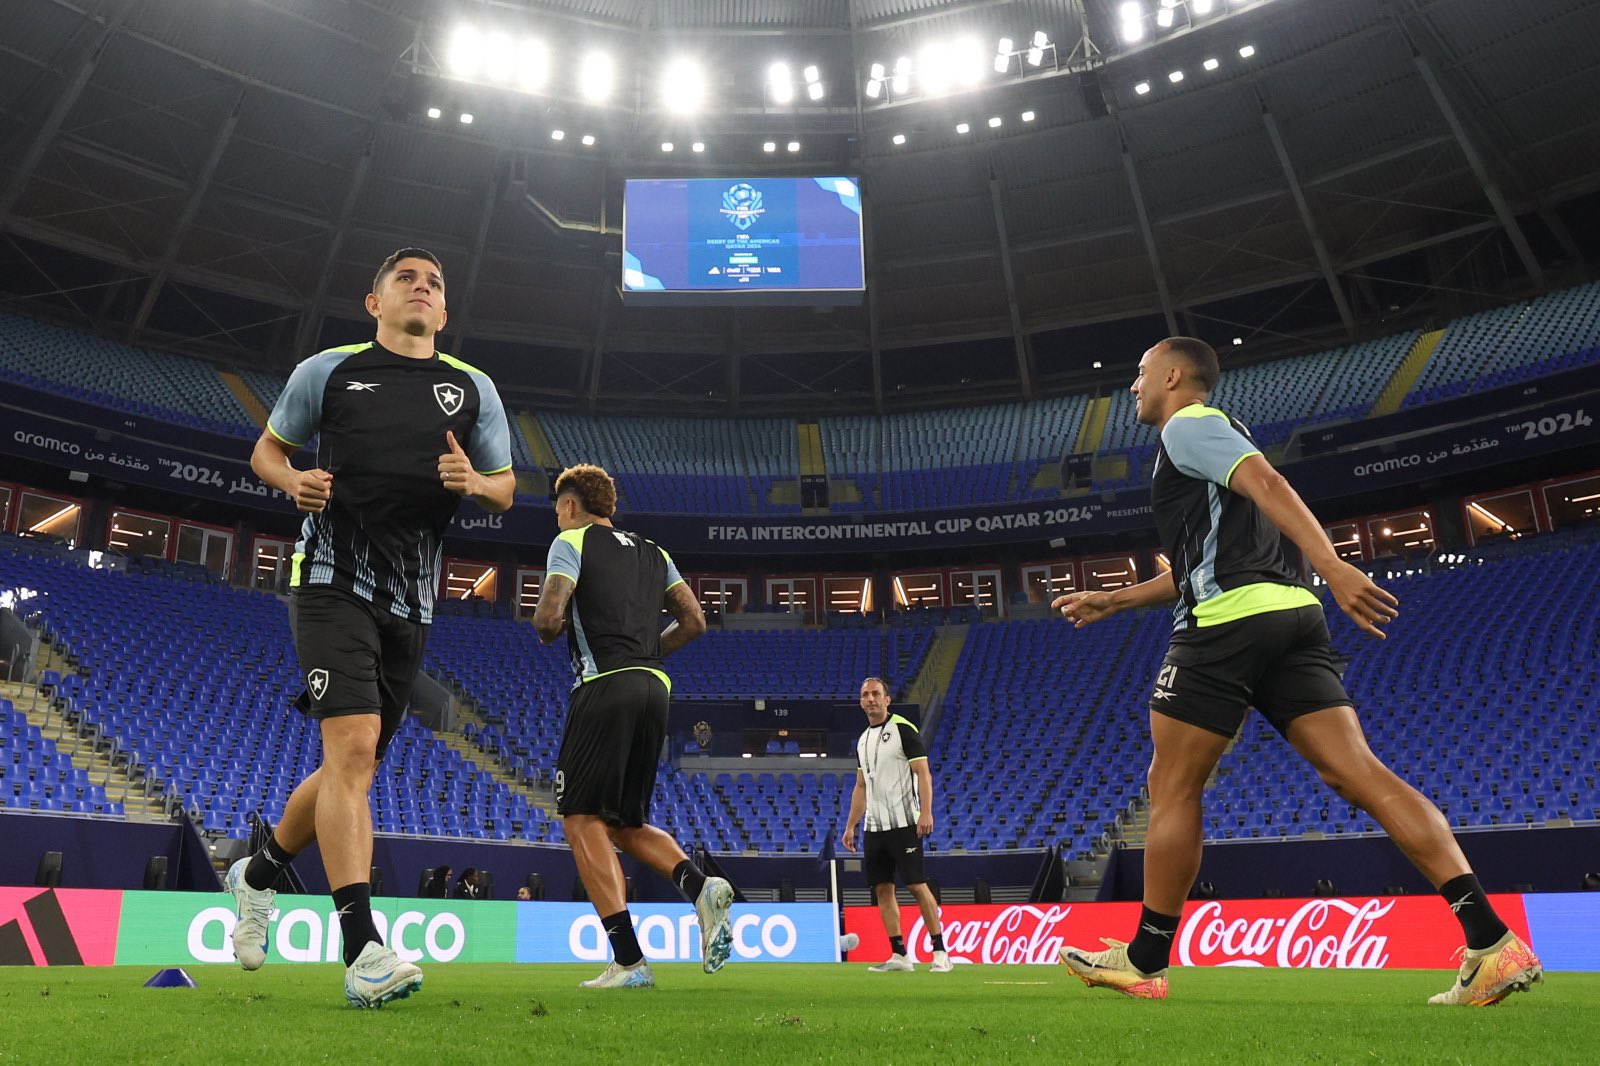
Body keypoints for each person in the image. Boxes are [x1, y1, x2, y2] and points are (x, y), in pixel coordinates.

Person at [1052, 337, 1542, 1005]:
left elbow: (1272, 487)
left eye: (1139, 376)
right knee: (1356, 771)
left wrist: (1336, 564)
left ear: (1172, 376)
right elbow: (1206, 564)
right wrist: (1116, 598)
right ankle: (1491, 940)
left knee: (1171, 784)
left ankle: (1143, 959)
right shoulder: (1219, 448)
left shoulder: (1191, 425)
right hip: (1291, 617)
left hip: (1227, 626)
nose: (1132, 389)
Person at [226, 248, 515, 1009]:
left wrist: (475, 483)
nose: (423, 287)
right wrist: (292, 481)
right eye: (407, 279)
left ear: (444, 314)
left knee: (348, 772)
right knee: (351, 750)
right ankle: (363, 952)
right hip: (329, 583)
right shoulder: (328, 371)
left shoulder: (472, 388)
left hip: (413, 604)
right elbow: (267, 449)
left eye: (436, 283)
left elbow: (508, 489)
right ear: (375, 302)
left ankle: (256, 874)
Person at [532, 464, 734, 989]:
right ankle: (699, 885)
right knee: (624, 823)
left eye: (558, 509)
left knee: (578, 818)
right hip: (655, 688)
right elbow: (694, 621)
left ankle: (628, 961)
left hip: (604, 686)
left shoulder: (570, 541)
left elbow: (549, 620)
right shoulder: (653, 551)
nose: (557, 518)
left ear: (572, 506)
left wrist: (548, 620)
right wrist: (646, 654)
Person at [840, 677, 951, 973]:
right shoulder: (862, 740)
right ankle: (900, 955)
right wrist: (851, 825)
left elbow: (923, 773)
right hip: (873, 829)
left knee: (916, 885)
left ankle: (940, 952)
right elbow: (861, 786)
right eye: (865, 695)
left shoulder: (903, 728)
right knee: (883, 889)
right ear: (861, 702)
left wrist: (926, 812)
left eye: (876, 693)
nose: (870, 699)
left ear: (888, 699)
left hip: (904, 823)